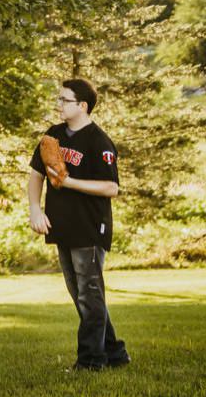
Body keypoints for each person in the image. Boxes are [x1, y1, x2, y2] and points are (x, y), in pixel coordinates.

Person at [27, 77, 130, 371]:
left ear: (82, 106)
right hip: (62, 226)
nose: (58, 105)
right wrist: (35, 209)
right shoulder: (53, 135)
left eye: (64, 100)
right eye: (58, 100)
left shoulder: (99, 141)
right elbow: (36, 175)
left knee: (89, 293)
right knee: (82, 294)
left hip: (89, 227)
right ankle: (114, 352)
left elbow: (111, 188)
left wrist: (70, 182)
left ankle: (91, 360)